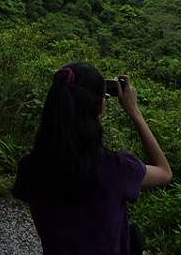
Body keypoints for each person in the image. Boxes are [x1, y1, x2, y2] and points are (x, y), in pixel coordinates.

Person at [12, 63, 172, 255]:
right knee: (134, 237)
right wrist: (134, 112)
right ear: (99, 107)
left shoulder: (30, 167)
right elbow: (165, 172)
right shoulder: (117, 167)